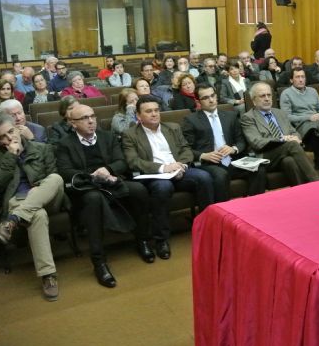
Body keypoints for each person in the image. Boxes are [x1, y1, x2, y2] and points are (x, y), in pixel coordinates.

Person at [57, 105, 151, 288]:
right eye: (84, 118)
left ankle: (143, 240)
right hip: (87, 188)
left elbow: (121, 162)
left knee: (138, 190)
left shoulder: (107, 137)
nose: (91, 121)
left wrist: (108, 170)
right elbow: (66, 172)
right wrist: (93, 176)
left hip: (111, 182)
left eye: (92, 116)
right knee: (94, 200)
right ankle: (99, 261)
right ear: (73, 123)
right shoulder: (65, 144)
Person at [122, 95, 215, 254]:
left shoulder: (172, 127)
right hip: (155, 175)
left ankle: (207, 228)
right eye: (149, 111)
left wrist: (181, 167)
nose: (154, 114)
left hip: (179, 170)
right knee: (163, 187)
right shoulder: (130, 134)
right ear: (138, 115)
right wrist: (163, 168)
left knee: (204, 177)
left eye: (157, 110)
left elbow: (186, 149)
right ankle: (161, 239)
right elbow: (133, 161)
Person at [0, 114, 64, 301]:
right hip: (18, 200)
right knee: (37, 215)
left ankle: (11, 221)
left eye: (10, 131)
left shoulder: (41, 148)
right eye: (2, 137)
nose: (9, 138)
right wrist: (10, 156)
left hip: (47, 196)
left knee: (56, 179)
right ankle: (48, 275)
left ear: (18, 127)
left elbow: (53, 177)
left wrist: (38, 189)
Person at [182, 85, 266, 202]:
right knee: (221, 175)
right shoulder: (191, 120)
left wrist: (234, 149)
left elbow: (241, 140)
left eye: (212, 95)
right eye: (206, 98)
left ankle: (254, 205)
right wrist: (203, 155)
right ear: (198, 101)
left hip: (233, 160)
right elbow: (186, 149)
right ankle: (224, 214)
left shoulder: (230, 116)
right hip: (210, 164)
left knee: (259, 169)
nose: (211, 100)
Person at [241, 82, 319, 186]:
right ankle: (316, 182)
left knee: (289, 161)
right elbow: (257, 142)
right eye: (262, 96)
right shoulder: (248, 117)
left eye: (269, 95)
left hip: (285, 153)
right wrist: (282, 139)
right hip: (265, 155)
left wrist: (296, 138)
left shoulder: (280, 113)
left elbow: (293, 131)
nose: (267, 98)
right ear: (254, 101)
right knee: (292, 145)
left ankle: (302, 191)